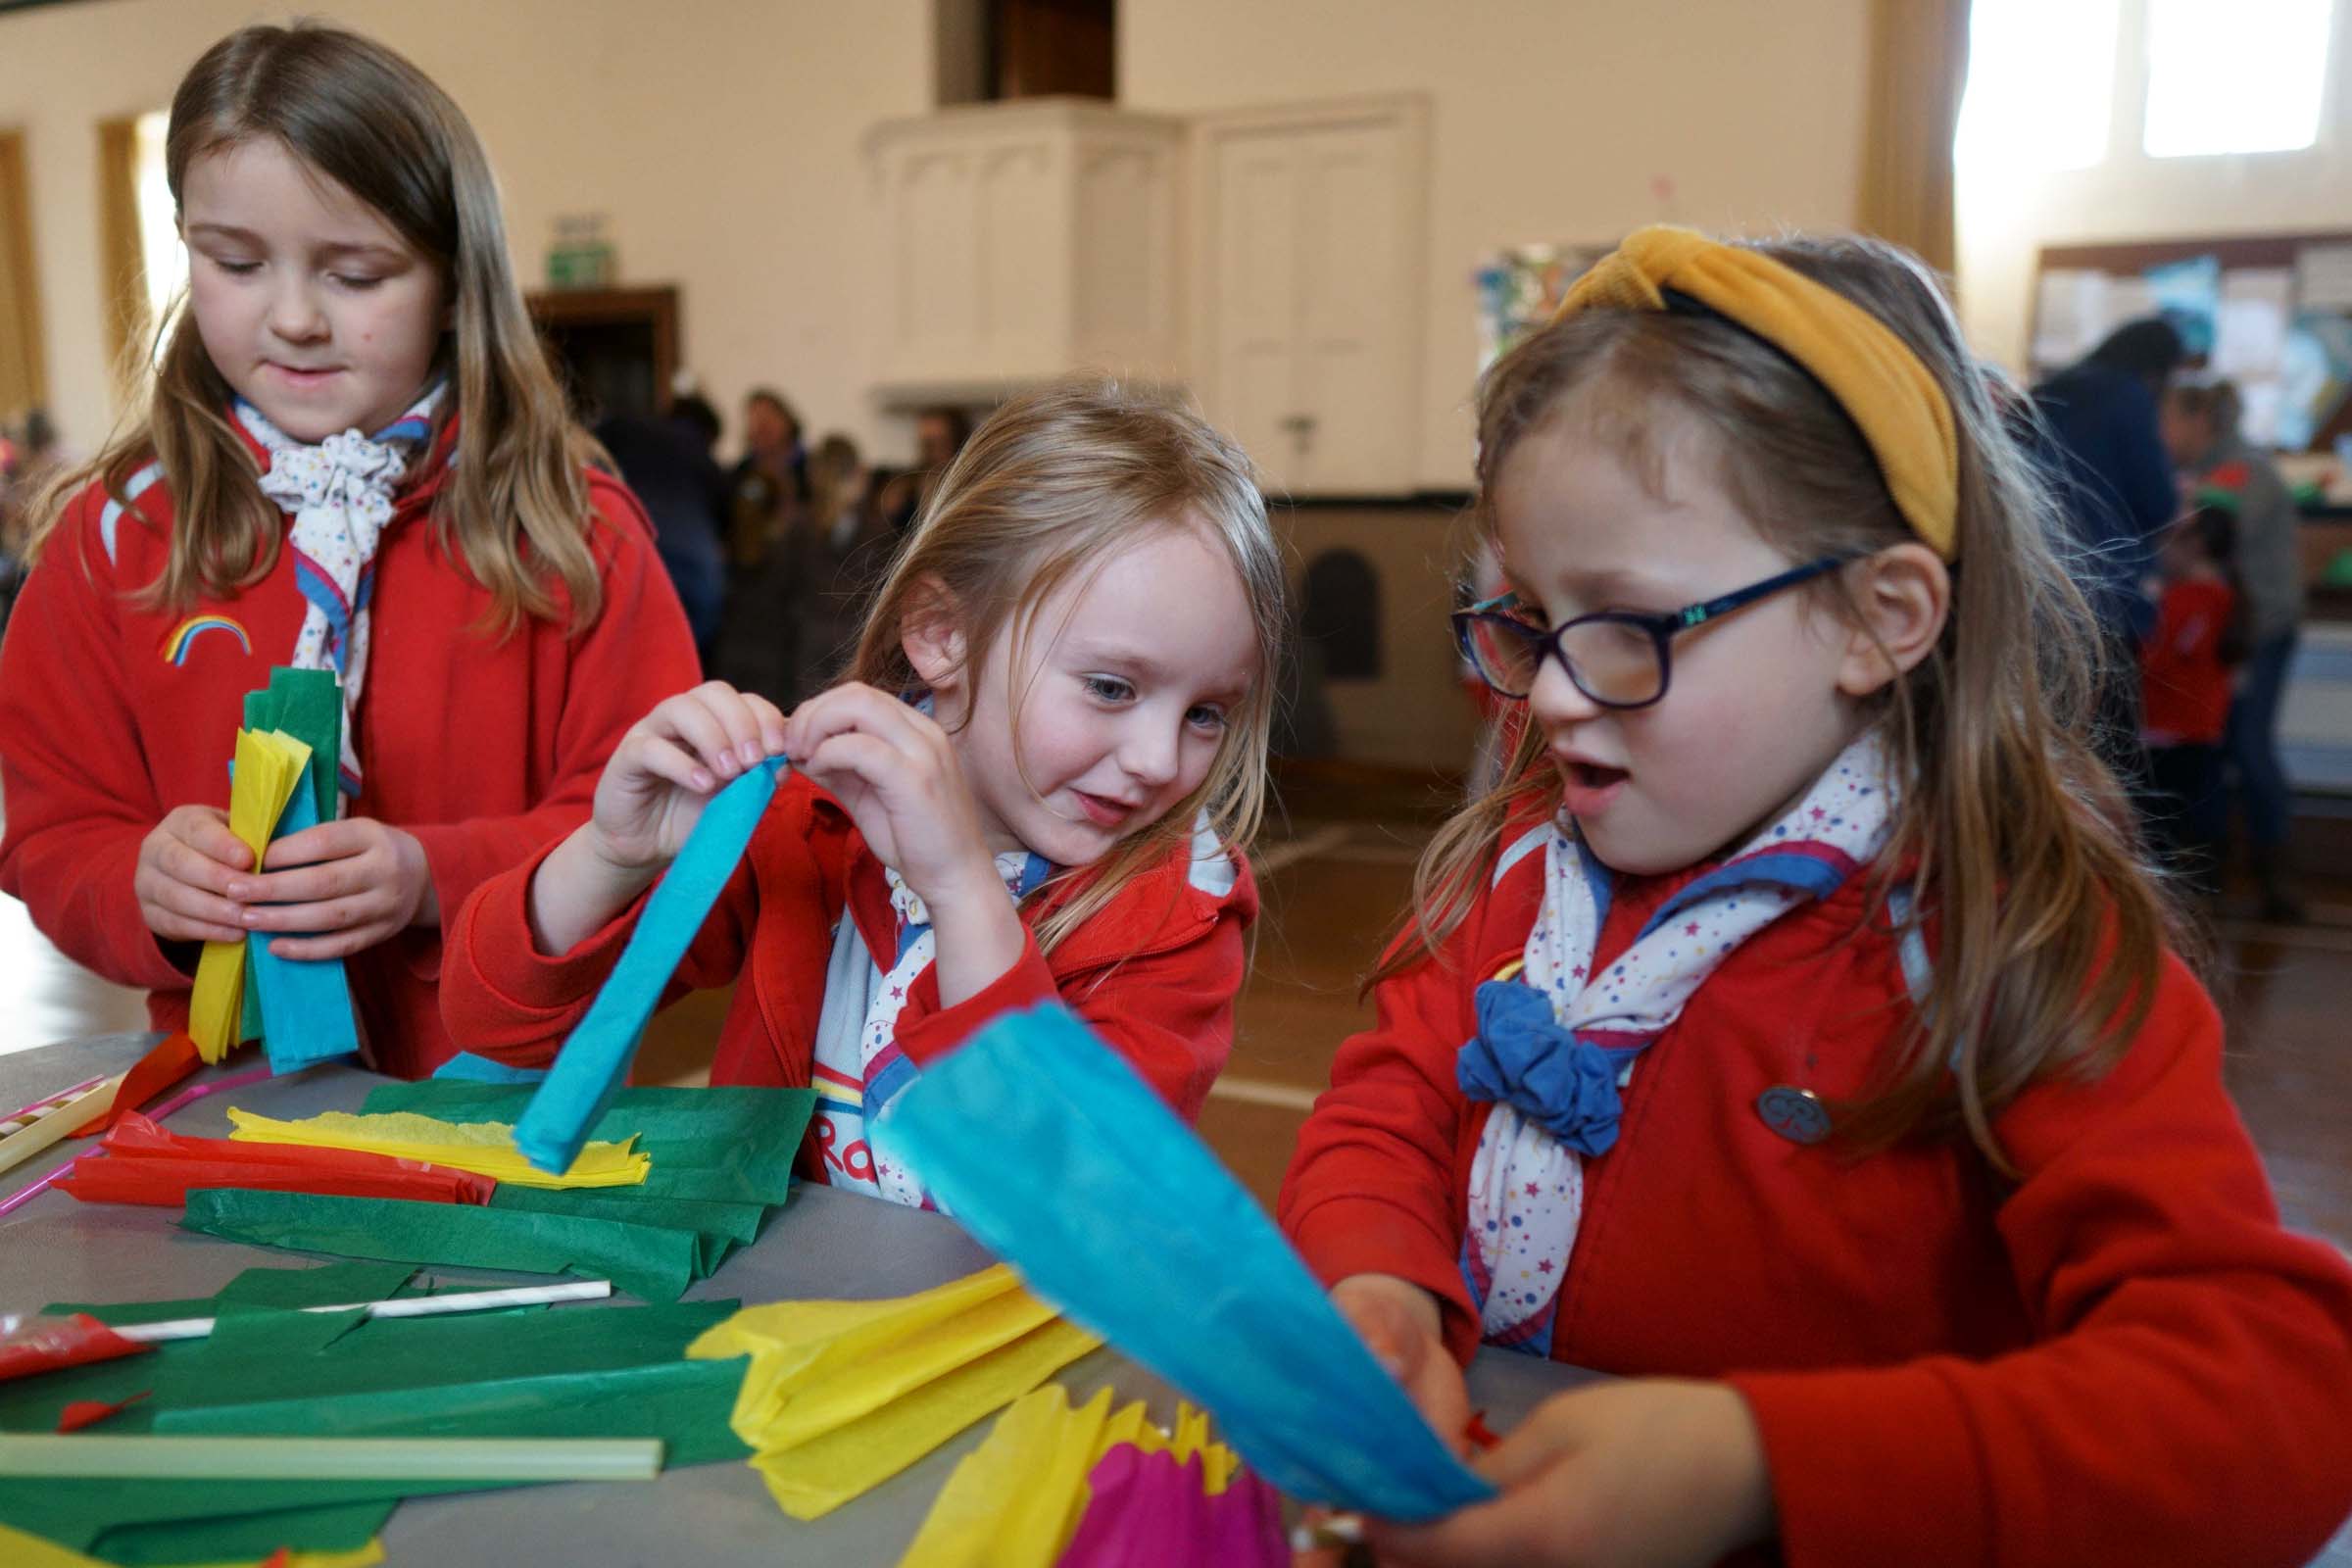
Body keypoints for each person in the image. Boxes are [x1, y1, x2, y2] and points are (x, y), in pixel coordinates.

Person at [1277, 228, 2352, 1567]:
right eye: (1529, 617)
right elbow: (1388, 1108)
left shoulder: (2005, 945)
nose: (1550, 691)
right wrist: (1378, 1284)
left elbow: (2278, 1398)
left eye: (1628, 624)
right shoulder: (1518, 862)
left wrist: (1760, 1467)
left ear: (1876, 617)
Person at [0, 23, 698, 1078]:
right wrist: (139, 882)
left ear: (458, 281)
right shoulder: (116, 536)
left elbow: (657, 828)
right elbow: (52, 831)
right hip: (224, 1105)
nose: (293, 319)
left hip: (507, 1098)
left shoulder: (573, 531)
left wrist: (433, 875)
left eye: (358, 274)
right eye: (234, 262)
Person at [442, 382, 1285, 1204]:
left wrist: (961, 889)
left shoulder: (1177, 916)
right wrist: (610, 856)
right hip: (783, 1326)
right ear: (943, 637)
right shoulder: (813, 827)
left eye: (1206, 712)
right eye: (1110, 688)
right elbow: (498, 1023)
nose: (1157, 758)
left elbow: (1063, 1194)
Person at [2162, 378, 2307, 921]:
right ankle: (2210, 871)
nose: (2162, 431)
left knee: (2247, 746)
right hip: (2231, 633)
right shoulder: (2220, 470)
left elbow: (2207, 526)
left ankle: (2276, 877)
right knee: (2212, 748)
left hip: (2255, 634)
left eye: (2169, 418)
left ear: (2201, 420)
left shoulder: (2240, 470)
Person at [2032, 317, 2185, 784]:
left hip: (2037, 591)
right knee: (2110, 755)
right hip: (2108, 595)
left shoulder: (2046, 391)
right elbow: (2157, 502)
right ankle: (2104, 854)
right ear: (2158, 369)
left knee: (2049, 747)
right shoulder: (2128, 396)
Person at [2139, 506, 2243, 902]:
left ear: (2195, 545)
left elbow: (2157, 661)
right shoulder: (2227, 598)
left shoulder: (2188, 599)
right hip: (2202, 728)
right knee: (2197, 817)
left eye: (2170, 540)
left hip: (2169, 729)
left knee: (2160, 824)